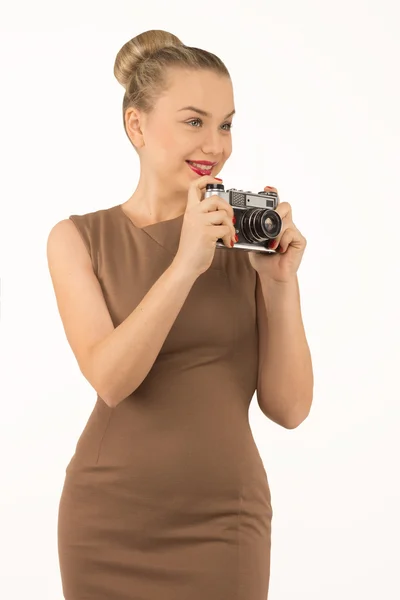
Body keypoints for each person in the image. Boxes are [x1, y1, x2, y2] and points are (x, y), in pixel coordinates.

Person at [47, 29, 313, 600]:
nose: (216, 145)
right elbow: (112, 379)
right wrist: (187, 264)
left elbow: (289, 409)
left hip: (226, 520)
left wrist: (280, 286)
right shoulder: (78, 239)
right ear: (136, 126)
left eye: (226, 124)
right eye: (194, 121)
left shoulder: (246, 242)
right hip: (107, 520)